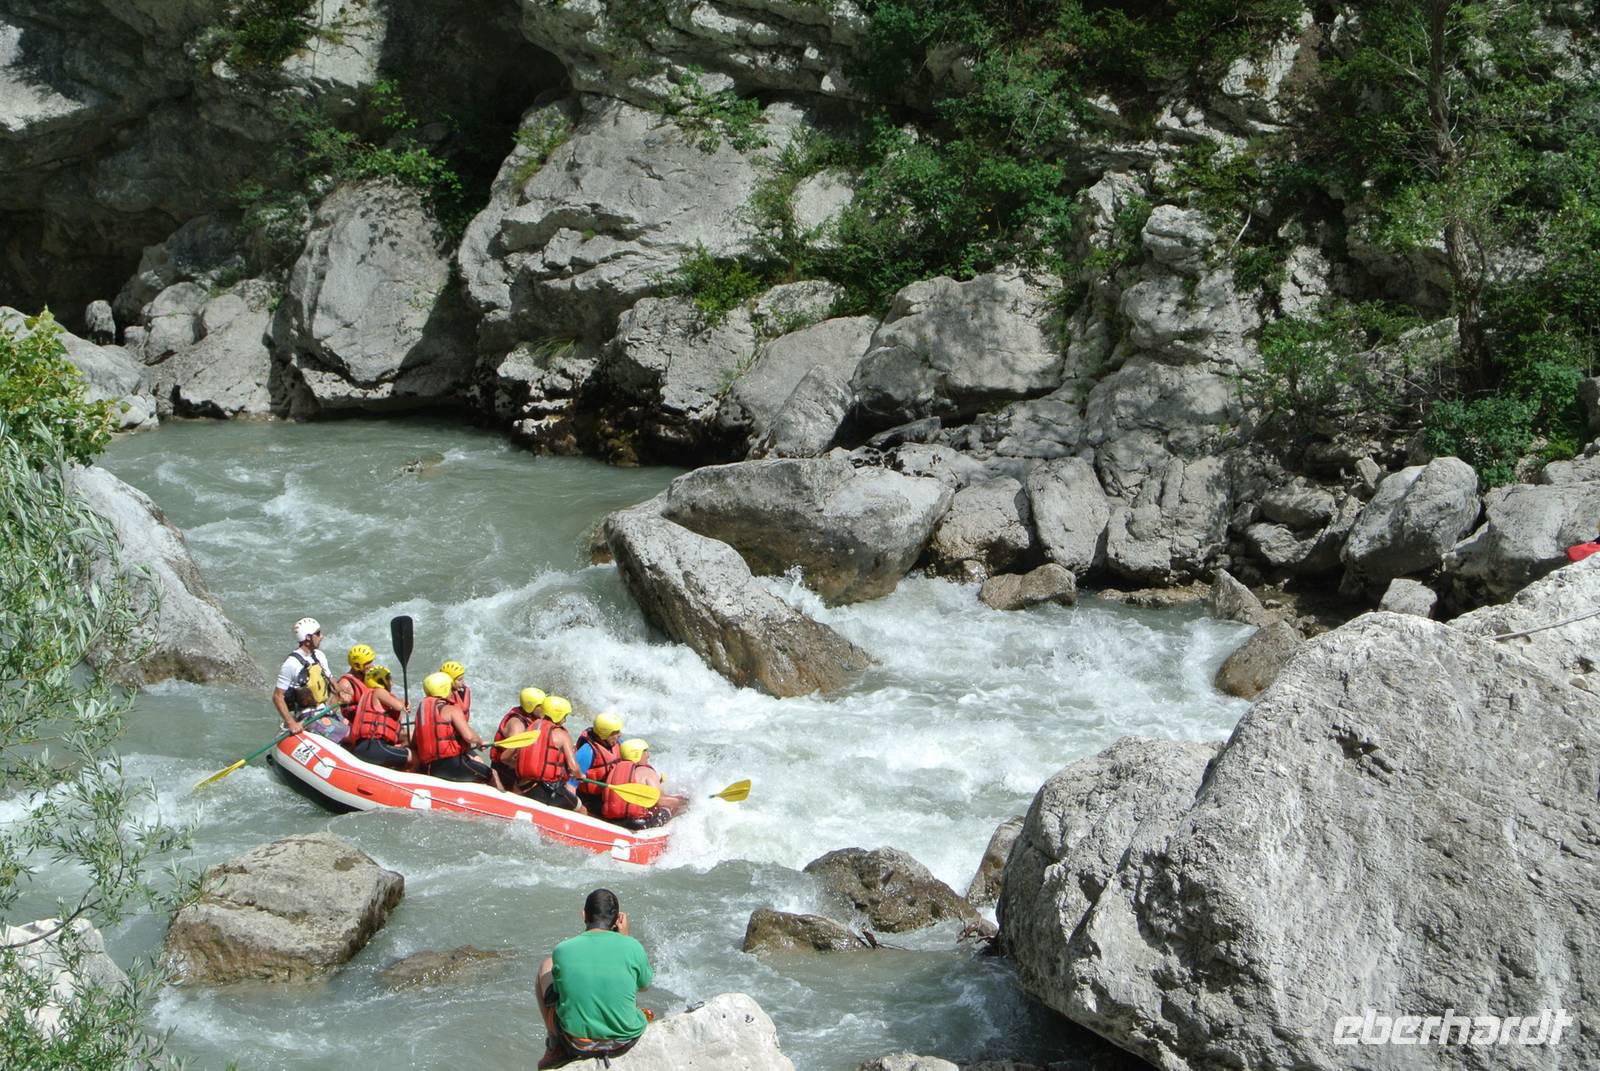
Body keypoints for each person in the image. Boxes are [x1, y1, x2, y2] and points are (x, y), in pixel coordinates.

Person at [536, 888, 652, 1069]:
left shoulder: (563, 950)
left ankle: (554, 1045)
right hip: (623, 1040)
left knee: (546, 966)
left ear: (584, 915)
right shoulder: (632, 946)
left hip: (577, 1042)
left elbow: (560, 991)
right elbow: (644, 985)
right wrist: (625, 937)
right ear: (617, 920)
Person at [413, 671, 494, 784]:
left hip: (430, 767)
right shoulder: (452, 709)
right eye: (451, 688)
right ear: (445, 689)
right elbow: (469, 736)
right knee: (492, 773)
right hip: (452, 765)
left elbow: (414, 741)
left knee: (474, 761)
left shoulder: (422, 711)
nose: (453, 691)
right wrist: (479, 741)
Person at [272, 616, 342, 738]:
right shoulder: (291, 664)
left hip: (325, 711)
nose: (322, 636)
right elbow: (277, 697)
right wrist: (291, 723)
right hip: (307, 717)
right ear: (308, 638)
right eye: (318, 634)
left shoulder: (320, 656)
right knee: (346, 735)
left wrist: (343, 693)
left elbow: (334, 685)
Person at [601, 739, 688, 829]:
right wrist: (684, 802)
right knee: (672, 808)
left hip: (614, 820)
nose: (648, 755)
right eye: (645, 751)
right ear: (637, 754)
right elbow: (659, 801)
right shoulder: (647, 772)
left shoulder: (614, 770)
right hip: (639, 823)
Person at [513, 695, 580, 810]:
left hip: (522, 785)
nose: (564, 720)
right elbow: (573, 768)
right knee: (580, 808)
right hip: (546, 790)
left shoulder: (531, 727)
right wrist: (580, 776)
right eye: (564, 716)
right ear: (558, 715)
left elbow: (505, 757)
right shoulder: (562, 735)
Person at [345, 664, 410, 769]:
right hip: (375, 746)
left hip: (361, 747)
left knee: (403, 741)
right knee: (414, 757)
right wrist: (404, 702)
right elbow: (399, 706)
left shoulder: (366, 696)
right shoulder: (379, 691)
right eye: (389, 679)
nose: (391, 683)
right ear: (381, 680)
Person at [490, 687, 546, 789]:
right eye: (541, 706)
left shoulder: (532, 718)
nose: (545, 709)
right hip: (505, 771)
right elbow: (506, 758)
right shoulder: (517, 725)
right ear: (531, 707)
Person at [572, 712, 624, 817]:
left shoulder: (617, 743)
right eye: (616, 732)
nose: (620, 734)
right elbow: (570, 785)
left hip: (610, 795)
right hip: (589, 799)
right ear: (605, 734)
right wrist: (576, 808)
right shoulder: (587, 752)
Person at [337, 644, 375, 721]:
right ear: (357, 666)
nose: (372, 666)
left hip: (371, 720)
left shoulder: (368, 677)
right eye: (368, 663)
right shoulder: (345, 685)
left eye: (371, 662)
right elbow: (332, 709)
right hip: (356, 725)